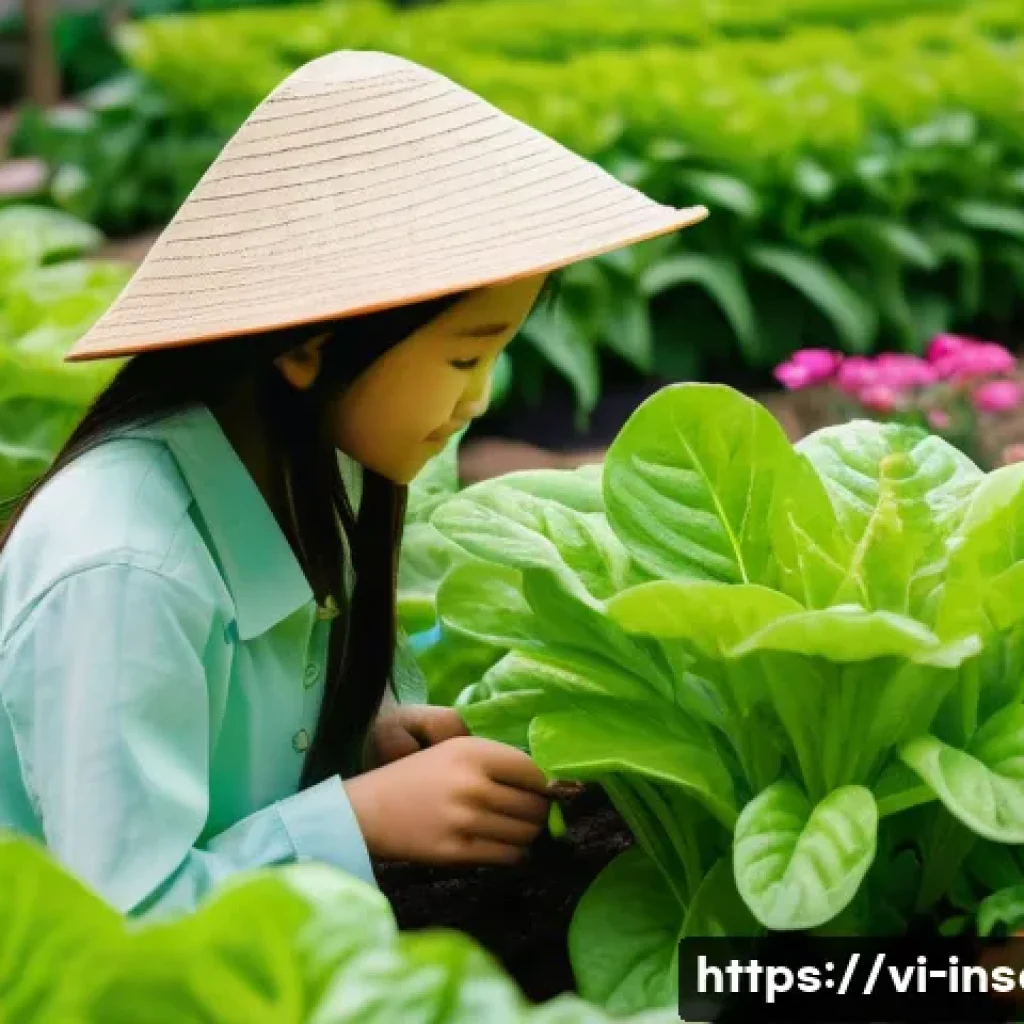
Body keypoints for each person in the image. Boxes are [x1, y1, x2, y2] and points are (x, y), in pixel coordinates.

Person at [0, 50, 706, 919]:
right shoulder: (126, 571)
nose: (479, 398)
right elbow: (120, 924)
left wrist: (357, 745)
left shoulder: (295, 470)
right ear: (305, 349)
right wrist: (350, 823)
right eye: (463, 355)